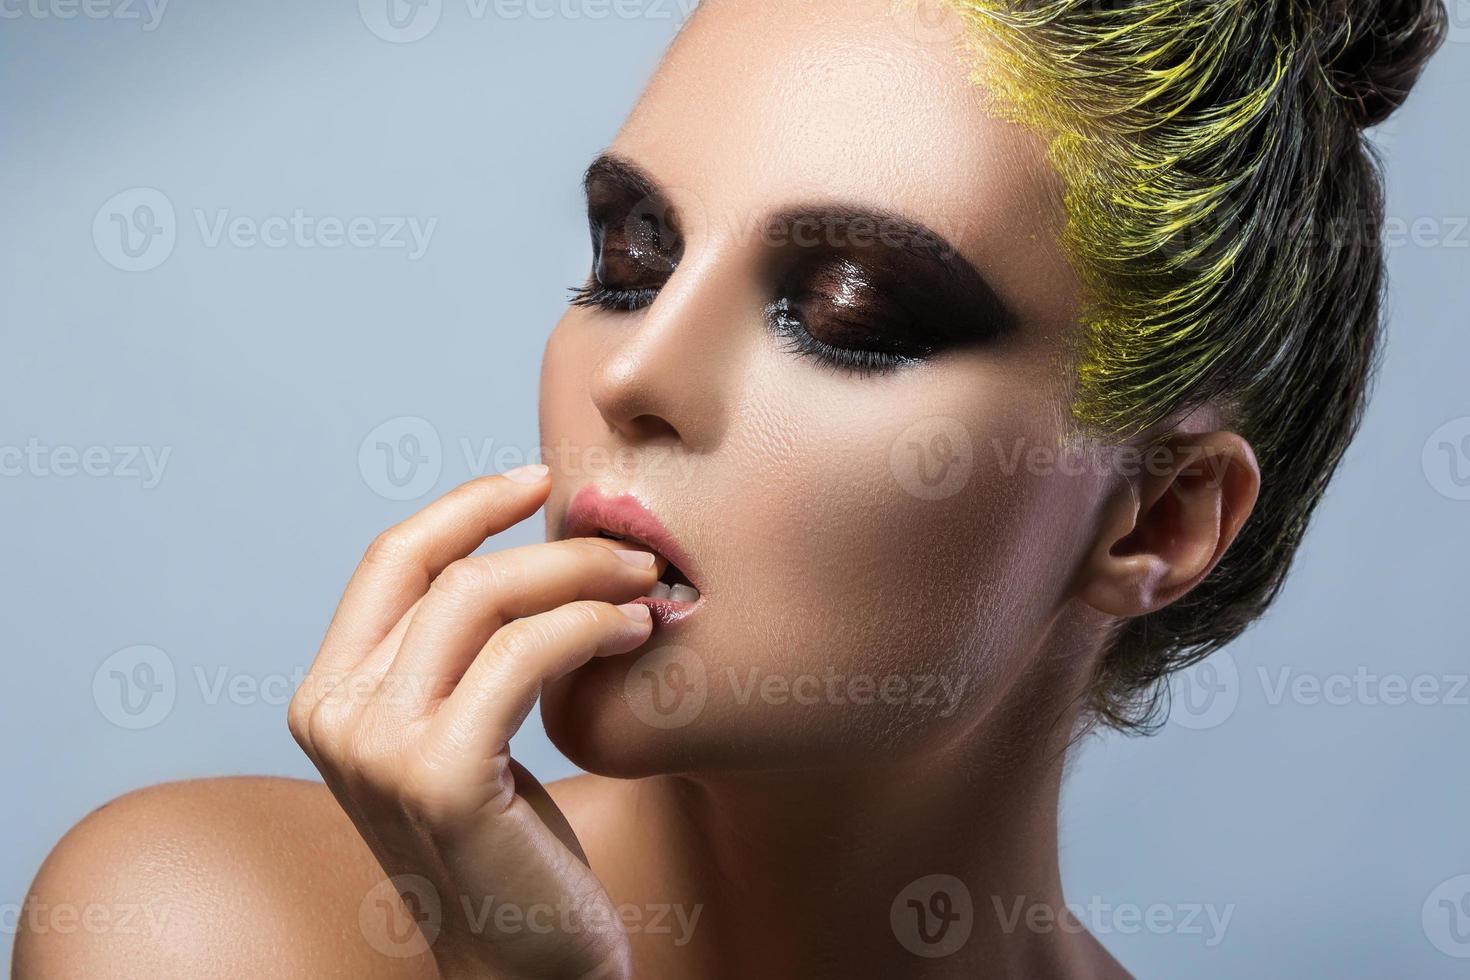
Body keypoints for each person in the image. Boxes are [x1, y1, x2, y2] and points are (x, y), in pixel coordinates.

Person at [15, 0, 1447, 976]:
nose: (636, 370)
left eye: (843, 309)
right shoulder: (206, 922)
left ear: (1155, 519)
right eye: (628, 261)